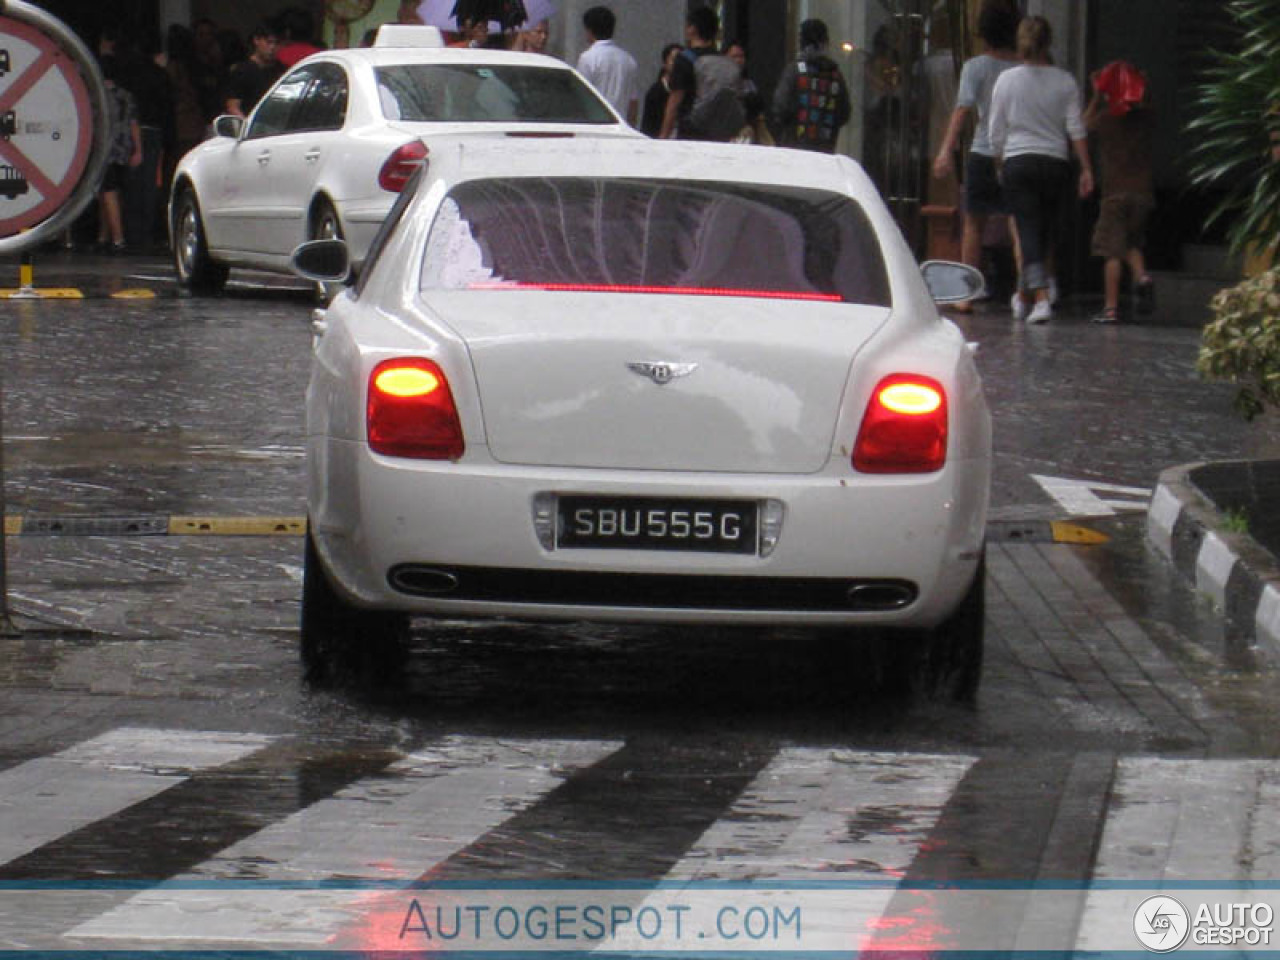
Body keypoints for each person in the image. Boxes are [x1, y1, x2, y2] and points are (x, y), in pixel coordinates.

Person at [988, 16, 1094, 324]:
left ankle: (1038, 298)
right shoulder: (1065, 81)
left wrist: (998, 162)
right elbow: (1075, 129)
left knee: (1027, 231)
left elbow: (996, 130)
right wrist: (1086, 168)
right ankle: (1026, 296)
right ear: (1049, 43)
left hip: (1018, 161)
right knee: (1045, 233)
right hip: (1055, 162)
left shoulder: (1007, 81)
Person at [930, 0, 1020, 313]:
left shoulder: (975, 67)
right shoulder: (1022, 67)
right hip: (1016, 151)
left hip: (983, 149)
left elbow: (962, 110)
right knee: (1016, 223)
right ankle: (1024, 291)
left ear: (982, 32)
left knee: (973, 223)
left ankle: (967, 293)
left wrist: (946, 149)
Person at [1085, 60, 1156, 323]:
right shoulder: (1146, 119)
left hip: (1114, 195)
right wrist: (1144, 84)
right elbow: (1148, 104)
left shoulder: (1105, 120)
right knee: (1131, 243)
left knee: (1111, 251)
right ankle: (1142, 276)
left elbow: (1083, 125)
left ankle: (1111, 308)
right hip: (1143, 195)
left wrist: (1095, 95)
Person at [658, 6, 743, 142]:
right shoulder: (726, 61)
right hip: (721, 134)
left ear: (693, 29)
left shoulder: (685, 59)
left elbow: (674, 102)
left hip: (692, 131)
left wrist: (663, 136)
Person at [771, 18, 851, 153]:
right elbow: (844, 113)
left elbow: (780, 107)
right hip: (826, 149)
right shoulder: (835, 74)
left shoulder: (794, 71)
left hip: (795, 148)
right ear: (825, 41)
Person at [95, 55, 142, 253]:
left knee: (107, 191)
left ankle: (117, 238)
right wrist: (138, 148)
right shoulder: (125, 95)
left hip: (102, 148)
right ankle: (104, 236)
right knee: (113, 191)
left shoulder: (95, 95)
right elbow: (133, 123)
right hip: (123, 147)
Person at [577, 7, 639, 126]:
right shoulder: (628, 59)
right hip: (622, 126)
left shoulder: (588, 58)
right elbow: (633, 101)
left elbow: (582, 97)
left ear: (590, 30)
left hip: (596, 125)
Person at [224, 22, 282, 118]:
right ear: (256, 40)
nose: (272, 47)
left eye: (276, 43)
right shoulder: (242, 71)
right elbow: (233, 106)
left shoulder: (281, 70)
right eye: (269, 42)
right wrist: (246, 126)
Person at [640, 43, 681, 138]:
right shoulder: (655, 92)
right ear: (665, 64)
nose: (678, 65)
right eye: (674, 60)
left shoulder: (687, 91)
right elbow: (648, 126)